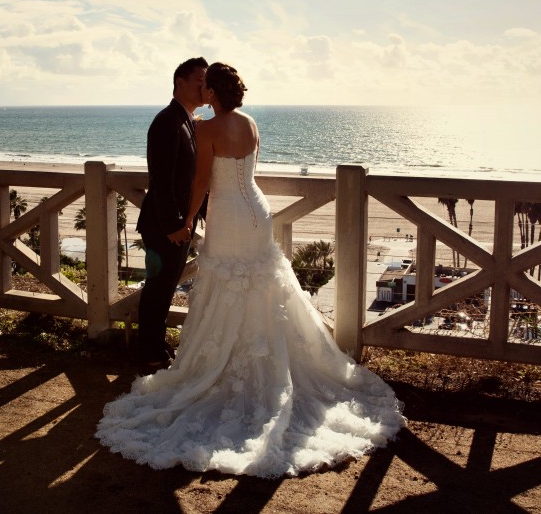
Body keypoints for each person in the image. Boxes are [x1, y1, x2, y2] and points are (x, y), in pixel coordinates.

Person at [97, 62, 405, 478]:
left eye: (209, 86)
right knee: (263, 284)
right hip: (257, 211)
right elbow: (246, 171)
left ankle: (225, 367)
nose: (204, 90)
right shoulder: (251, 123)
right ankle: (274, 361)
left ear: (214, 93)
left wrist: (188, 220)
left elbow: (203, 182)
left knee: (228, 283)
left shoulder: (206, 127)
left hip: (226, 214)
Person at [134, 57, 209, 368]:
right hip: (165, 226)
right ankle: (148, 352)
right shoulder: (167, 121)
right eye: (199, 82)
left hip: (176, 224)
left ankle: (156, 347)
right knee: (157, 289)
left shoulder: (187, 120)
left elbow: (190, 176)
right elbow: (161, 180)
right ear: (180, 82)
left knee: (164, 290)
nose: (206, 89)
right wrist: (176, 224)